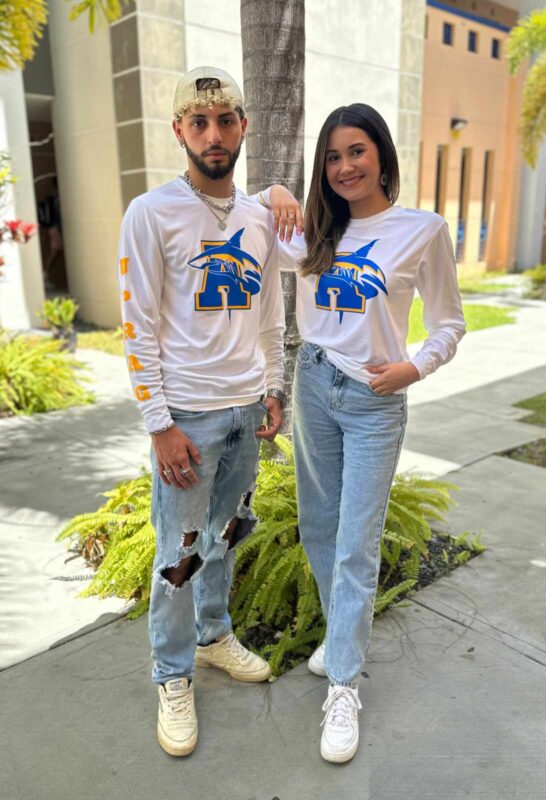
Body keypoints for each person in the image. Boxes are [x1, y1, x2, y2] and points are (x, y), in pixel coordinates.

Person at [256, 103, 466, 764]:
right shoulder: (313, 231)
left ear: (381, 155)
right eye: (332, 156)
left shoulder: (422, 230)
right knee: (319, 526)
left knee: (355, 541)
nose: (345, 167)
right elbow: (246, 214)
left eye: (357, 152)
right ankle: (339, 635)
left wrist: (415, 365)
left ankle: (343, 685)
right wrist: (277, 190)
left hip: (375, 399)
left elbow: (449, 323)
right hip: (314, 384)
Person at [117, 66, 286, 758]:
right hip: (187, 419)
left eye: (226, 121)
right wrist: (159, 423)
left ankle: (214, 637)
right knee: (178, 554)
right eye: (199, 122)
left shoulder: (257, 218)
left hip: (247, 412)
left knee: (227, 534)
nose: (213, 135)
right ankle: (172, 672)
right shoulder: (151, 213)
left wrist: (273, 389)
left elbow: (273, 311)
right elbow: (137, 324)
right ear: (180, 130)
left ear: (244, 127)